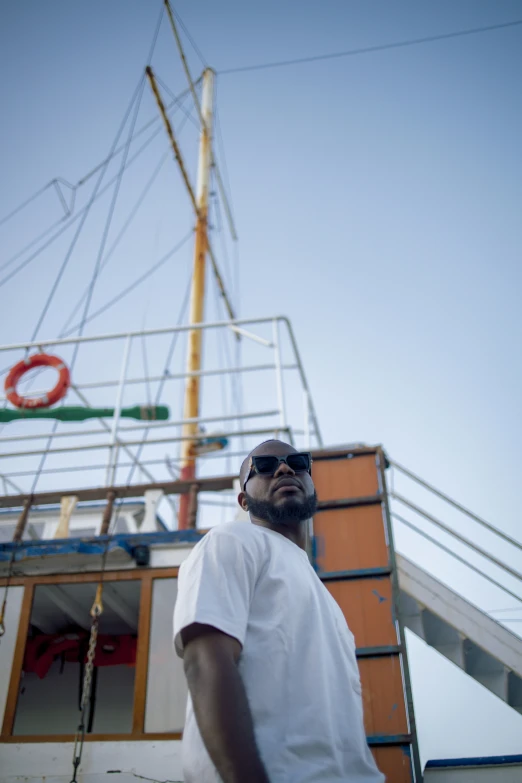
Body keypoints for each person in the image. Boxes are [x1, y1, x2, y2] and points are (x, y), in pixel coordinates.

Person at [173, 439, 385, 783]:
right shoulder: (233, 542)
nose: (285, 469)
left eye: (297, 462)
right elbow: (204, 660)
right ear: (244, 499)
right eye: (265, 467)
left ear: (311, 482)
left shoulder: (327, 602)